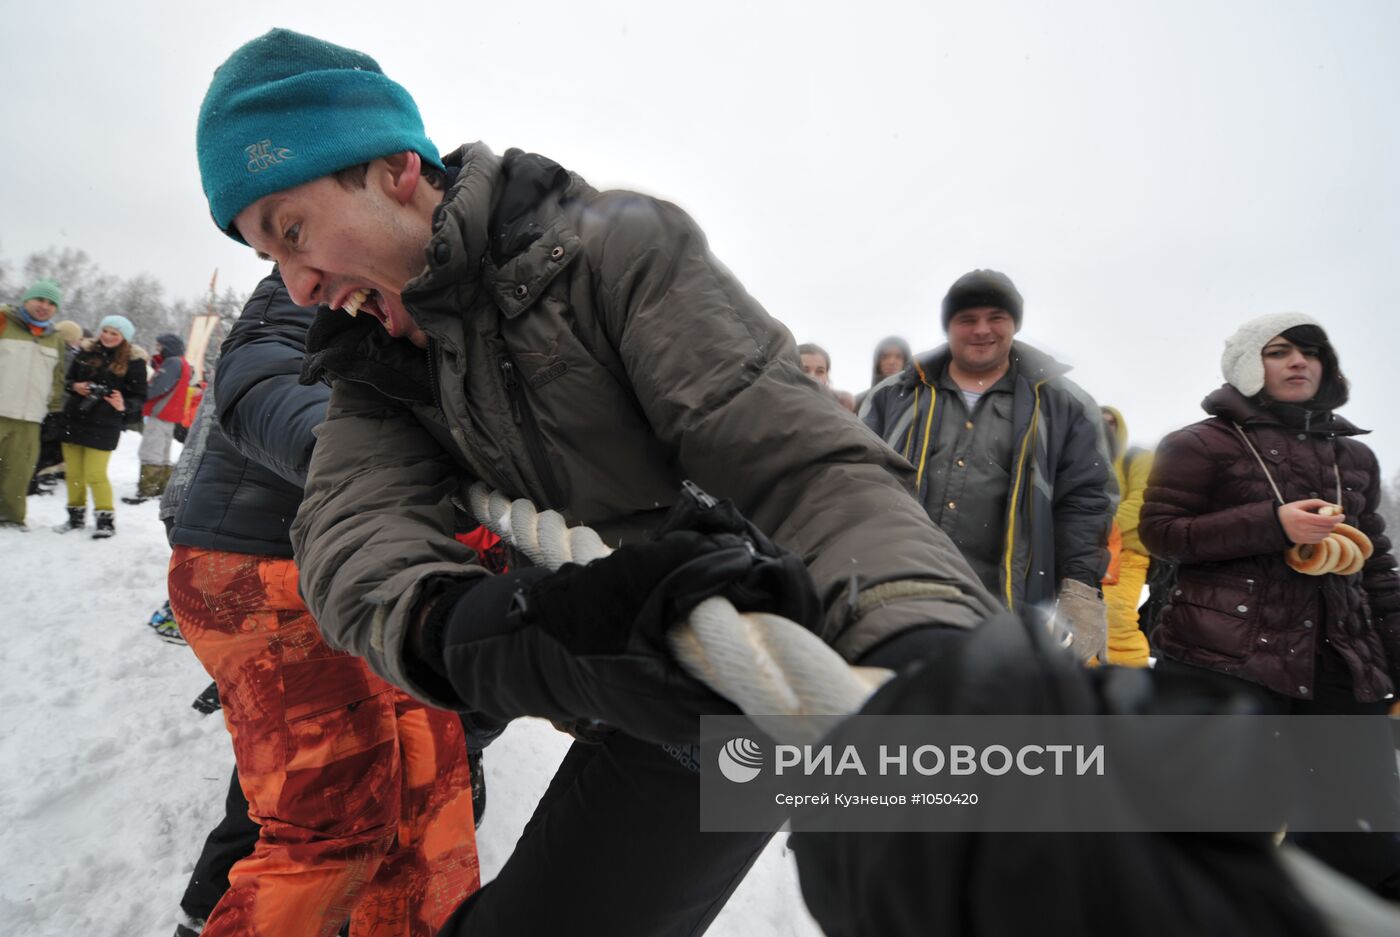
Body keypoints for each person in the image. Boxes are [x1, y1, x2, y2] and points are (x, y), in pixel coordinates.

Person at [196, 29, 998, 936]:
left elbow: (802, 464)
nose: (295, 287)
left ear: (393, 169)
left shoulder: (613, 252)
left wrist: (927, 642)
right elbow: (351, 535)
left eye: (291, 231)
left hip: (756, 678)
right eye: (270, 257)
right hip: (625, 661)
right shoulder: (381, 358)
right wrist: (504, 633)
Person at [162, 271, 479, 937]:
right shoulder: (332, 268)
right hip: (269, 560)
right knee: (331, 820)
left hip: (382, 567)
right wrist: (370, 472)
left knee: (429, 797)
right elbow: (260, 369)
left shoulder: (469, 309)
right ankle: (213, 907)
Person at [1139, 312, 1400, 899]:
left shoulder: (1354, 459)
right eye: (1279, 351)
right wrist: (1271, 523)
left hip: (1340, 658)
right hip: (1223, 656)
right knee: (1215, 829)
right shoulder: (1198, 443)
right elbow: (1161, 533)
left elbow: (1376, 564)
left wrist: (1396, 658)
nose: (1299, 362)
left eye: (1312, 352)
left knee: (1361, 830)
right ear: (1246, 365)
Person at [861, 269, 1114, 660]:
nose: (982, 330)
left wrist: (1080, 587)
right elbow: (855, 485)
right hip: (899, 599)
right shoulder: (893, 397)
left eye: (996, 317)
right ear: (949, 326)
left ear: (1014, 323)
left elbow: (1085, 500)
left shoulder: (1065, 405)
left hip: (1009, 610)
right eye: (967, 319)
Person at [55, 315, 147, 538]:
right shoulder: (85, 353)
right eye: (105, 330)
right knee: (74, 473)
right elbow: (66, 382)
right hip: (75, 418)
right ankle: (75, 517)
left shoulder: (134, 362)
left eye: (114, 333)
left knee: (95, 474)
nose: (107, 336)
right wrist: (75, 386)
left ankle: (105, 520)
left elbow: (140, 397)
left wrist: (123, 404)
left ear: (123, 337)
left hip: (105, 424)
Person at [0, 278, 67, 529]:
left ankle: (10, 516)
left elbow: (57, 377)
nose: (44, 306)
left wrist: (53, 409)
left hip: (30, 416)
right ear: (27, 300)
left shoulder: (55, 338)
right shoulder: (4, 321)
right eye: (40, 299)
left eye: (51, 303)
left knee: (18, 472)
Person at [1100, 406, 1152, 665]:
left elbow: (1142, 502)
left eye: (1111, 422)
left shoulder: (1137, 457)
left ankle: (1134, 687)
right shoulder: (1077, 462)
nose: (1104, 427)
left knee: (1116, 620)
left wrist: (1090, 525)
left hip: (1127, 556)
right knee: (1083, 623)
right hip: (1086, 555)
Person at [125, 332, 191, 503]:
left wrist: (139, 394)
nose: (157, 349)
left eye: (160, 346)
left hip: (161, 412)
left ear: (168, 347)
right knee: (162, 453)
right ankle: (161, 488)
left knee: (151, 452)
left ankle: (147, 491)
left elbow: (158, 386)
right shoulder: (183, 363)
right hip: (171, 413)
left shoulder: (172, 362)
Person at [854, 335, 911, 412]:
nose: (891, 362)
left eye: (898, 356)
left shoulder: (917, 399)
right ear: (877, 362)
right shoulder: (858, 402)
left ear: (906, 361)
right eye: (885, 356)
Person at [797, 341, 856, 411]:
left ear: (827, 376)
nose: (812, 377)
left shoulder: (843, 404)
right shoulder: (782, 402)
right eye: (805, 370)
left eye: (820, 371)